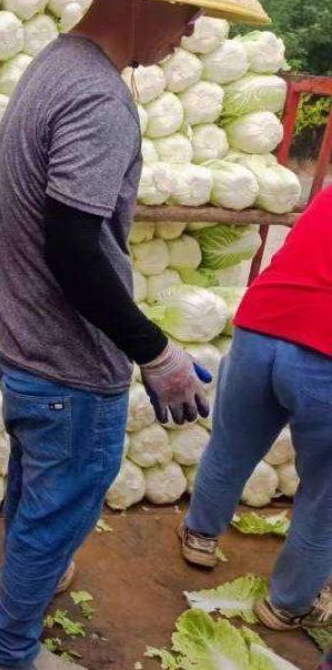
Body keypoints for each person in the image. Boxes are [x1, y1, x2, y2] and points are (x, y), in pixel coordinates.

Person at [0, 0, 271, 670]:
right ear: (150, 1)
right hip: (66, 366)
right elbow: (73, 246)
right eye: (188, 14)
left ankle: (30, 582)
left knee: (37, 487)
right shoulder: (99, 98)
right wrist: (156, 352)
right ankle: (8, 650)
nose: (192, 32)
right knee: (60, 503)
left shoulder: (56, 64)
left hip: (22, 342)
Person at [180, 185, 332, 635]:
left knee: (232, 446)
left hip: (262, 325)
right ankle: (287, 604)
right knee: (325, 493)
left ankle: (200, 536)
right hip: (325, 354)